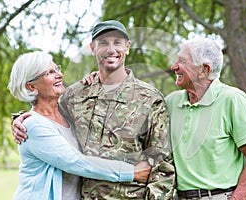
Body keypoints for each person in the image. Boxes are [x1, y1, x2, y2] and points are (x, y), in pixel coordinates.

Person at [12, 20, 176, 199]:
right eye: (103, 43)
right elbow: (45, 117)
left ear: (127, 47)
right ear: (92, 48)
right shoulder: (75, 95)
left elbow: (162, 165)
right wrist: (21, 120)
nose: (111, 49)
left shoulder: (150, 98)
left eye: (117, 43)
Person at [8, 51, 151, 200]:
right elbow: (76, 162)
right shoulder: (32, 126)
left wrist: (97, 81)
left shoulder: (67, 115)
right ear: (31, 87)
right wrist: (131, 172)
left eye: (57, 68)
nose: (59, 75)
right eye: (50, 72)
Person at [165, 38, 246, 200]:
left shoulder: (232, 100)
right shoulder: (171, 102)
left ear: (204, 70)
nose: (174, 66)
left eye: (182, 61)